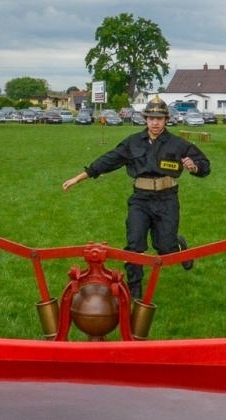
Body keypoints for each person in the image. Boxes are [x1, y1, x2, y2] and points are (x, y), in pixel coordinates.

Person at [62, 96, 210, 299]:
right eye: (151, 118)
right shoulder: (133, 143)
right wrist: (80, 177)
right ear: (145, 119)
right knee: (134, 244)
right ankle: (134, 287)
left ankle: (177, 245)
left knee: (165, 250)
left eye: (159, 119)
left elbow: (204, 164)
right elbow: (109, 160)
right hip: (140, 200)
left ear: (166, 119)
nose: (155, 123)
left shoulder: (178, 144)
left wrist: (195, 167)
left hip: (167, 199)